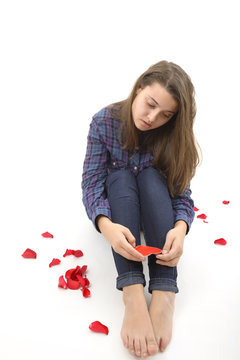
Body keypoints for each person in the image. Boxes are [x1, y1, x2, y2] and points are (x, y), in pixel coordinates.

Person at [81, 60, 200, 358]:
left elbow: (181, 193)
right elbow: (92, 182)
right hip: (120, 209)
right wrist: (106, 227)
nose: (152, 118)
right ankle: (133, 293)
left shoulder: (171, 135)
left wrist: (180, 227)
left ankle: (164, 290)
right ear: (139, 89)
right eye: (150, 104)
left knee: (149, 175)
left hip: (155, 209)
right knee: (119, 177)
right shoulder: (104, 122)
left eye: (165, 115)